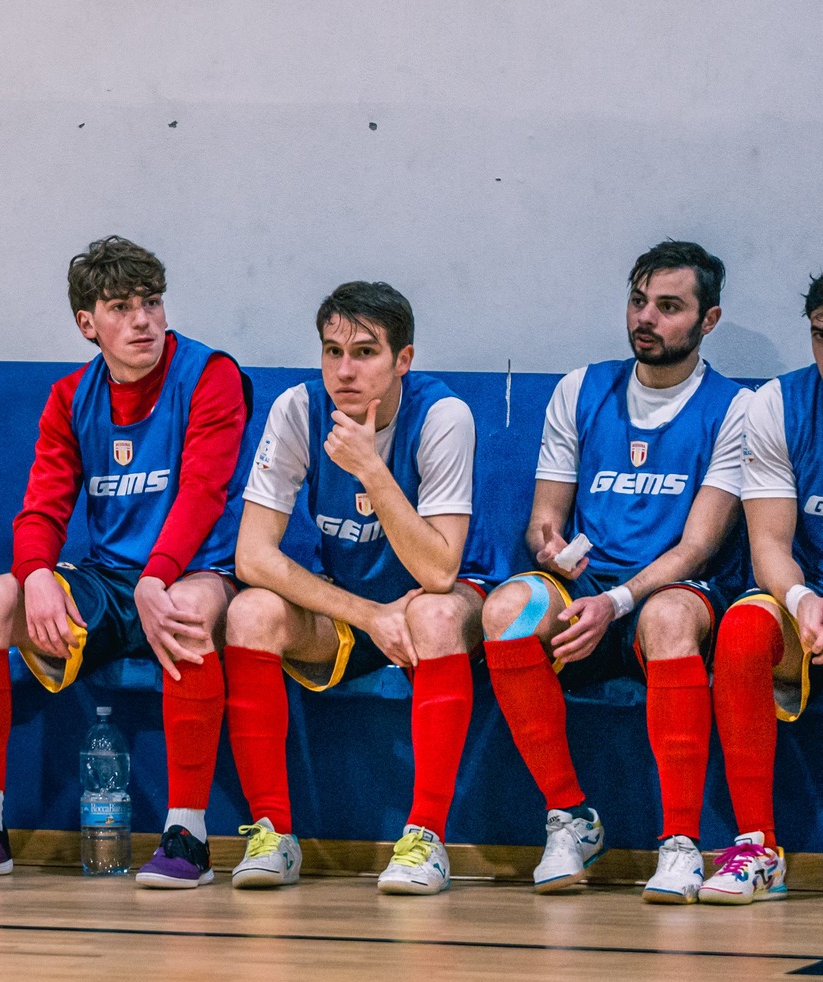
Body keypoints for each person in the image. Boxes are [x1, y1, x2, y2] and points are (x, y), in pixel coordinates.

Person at [0, 237, 250, 887]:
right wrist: (37, 576)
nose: (142, 320)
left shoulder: (209, 375)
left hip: (194, 569)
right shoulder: (72, 396)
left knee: (187, 608)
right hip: (110, 578)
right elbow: (41, 509)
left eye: (151, 302)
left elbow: (204, 492)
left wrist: (157, 577)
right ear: (87, 323)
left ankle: (187, 835)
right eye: (121, 307)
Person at [481, 241, 747, 901]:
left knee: (669, 616)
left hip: (669, 591)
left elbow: (698, 545)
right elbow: (544, 519)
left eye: (669, 306)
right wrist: (550, 548)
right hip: (586, 591)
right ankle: (570, 816)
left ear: (709, 319)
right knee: (506, 610)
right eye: (638, 301)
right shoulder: (581, 389)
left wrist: (618, 602)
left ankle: (680, 842)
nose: (645, 318)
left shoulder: (735, 407)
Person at [225, 281, 495, 896]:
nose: (344, 371)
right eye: (333, 352)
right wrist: (371, 614)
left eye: (366, 352)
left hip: (442, 604)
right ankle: (271, 833)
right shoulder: (297, 409)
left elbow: (439, 572)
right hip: (358, 609)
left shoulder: (443, 416)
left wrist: (371, 467)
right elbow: (252, 556)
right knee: (250, 613)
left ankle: (425, 839)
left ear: (403, 359)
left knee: (433, 614)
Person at [702, 273, 823, 905]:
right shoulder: (778, 403)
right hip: (809, 602)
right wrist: (803, 602)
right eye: (821, 335)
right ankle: (757, 847)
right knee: (745, 628)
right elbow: (770, 545)